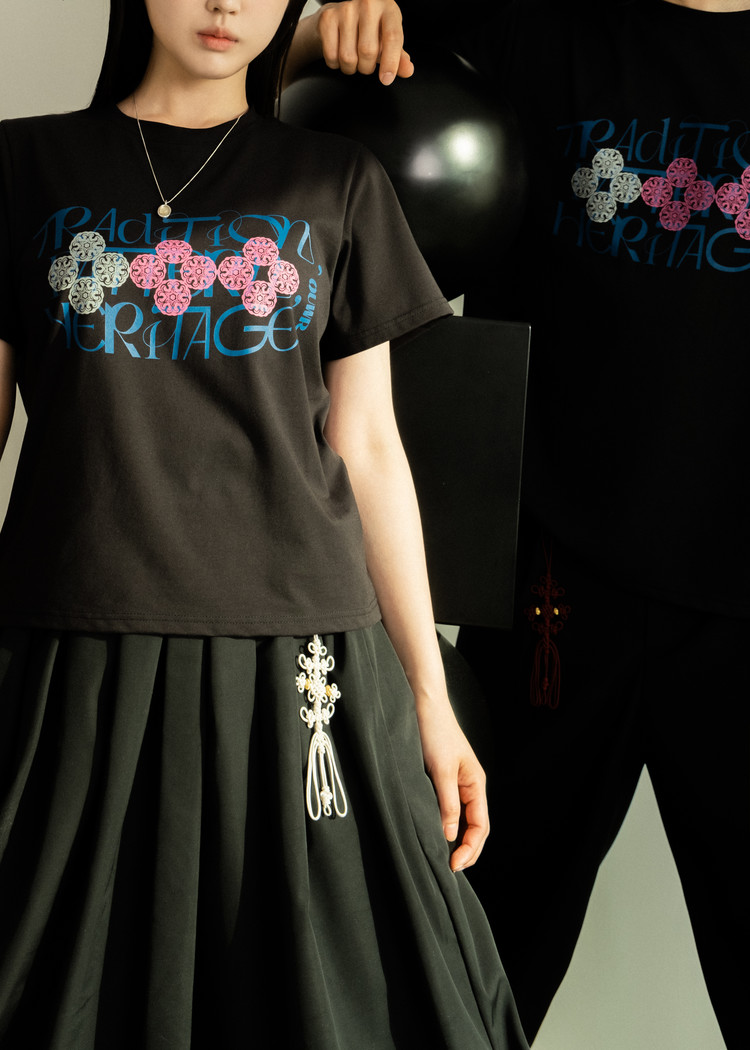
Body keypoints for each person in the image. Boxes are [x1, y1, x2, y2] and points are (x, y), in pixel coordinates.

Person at [0, 2, 530, 1047]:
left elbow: (368, 448)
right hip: (75, 649)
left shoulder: (336, 180)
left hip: (303, 665)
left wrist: (431, 699)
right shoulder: (26, 166)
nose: (225, 5)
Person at [307, 0, 748, 1045]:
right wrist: (336, 24)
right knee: (465, 969)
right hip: (551, 586)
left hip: (739, 607)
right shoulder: (529, 24)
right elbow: (311, 47)